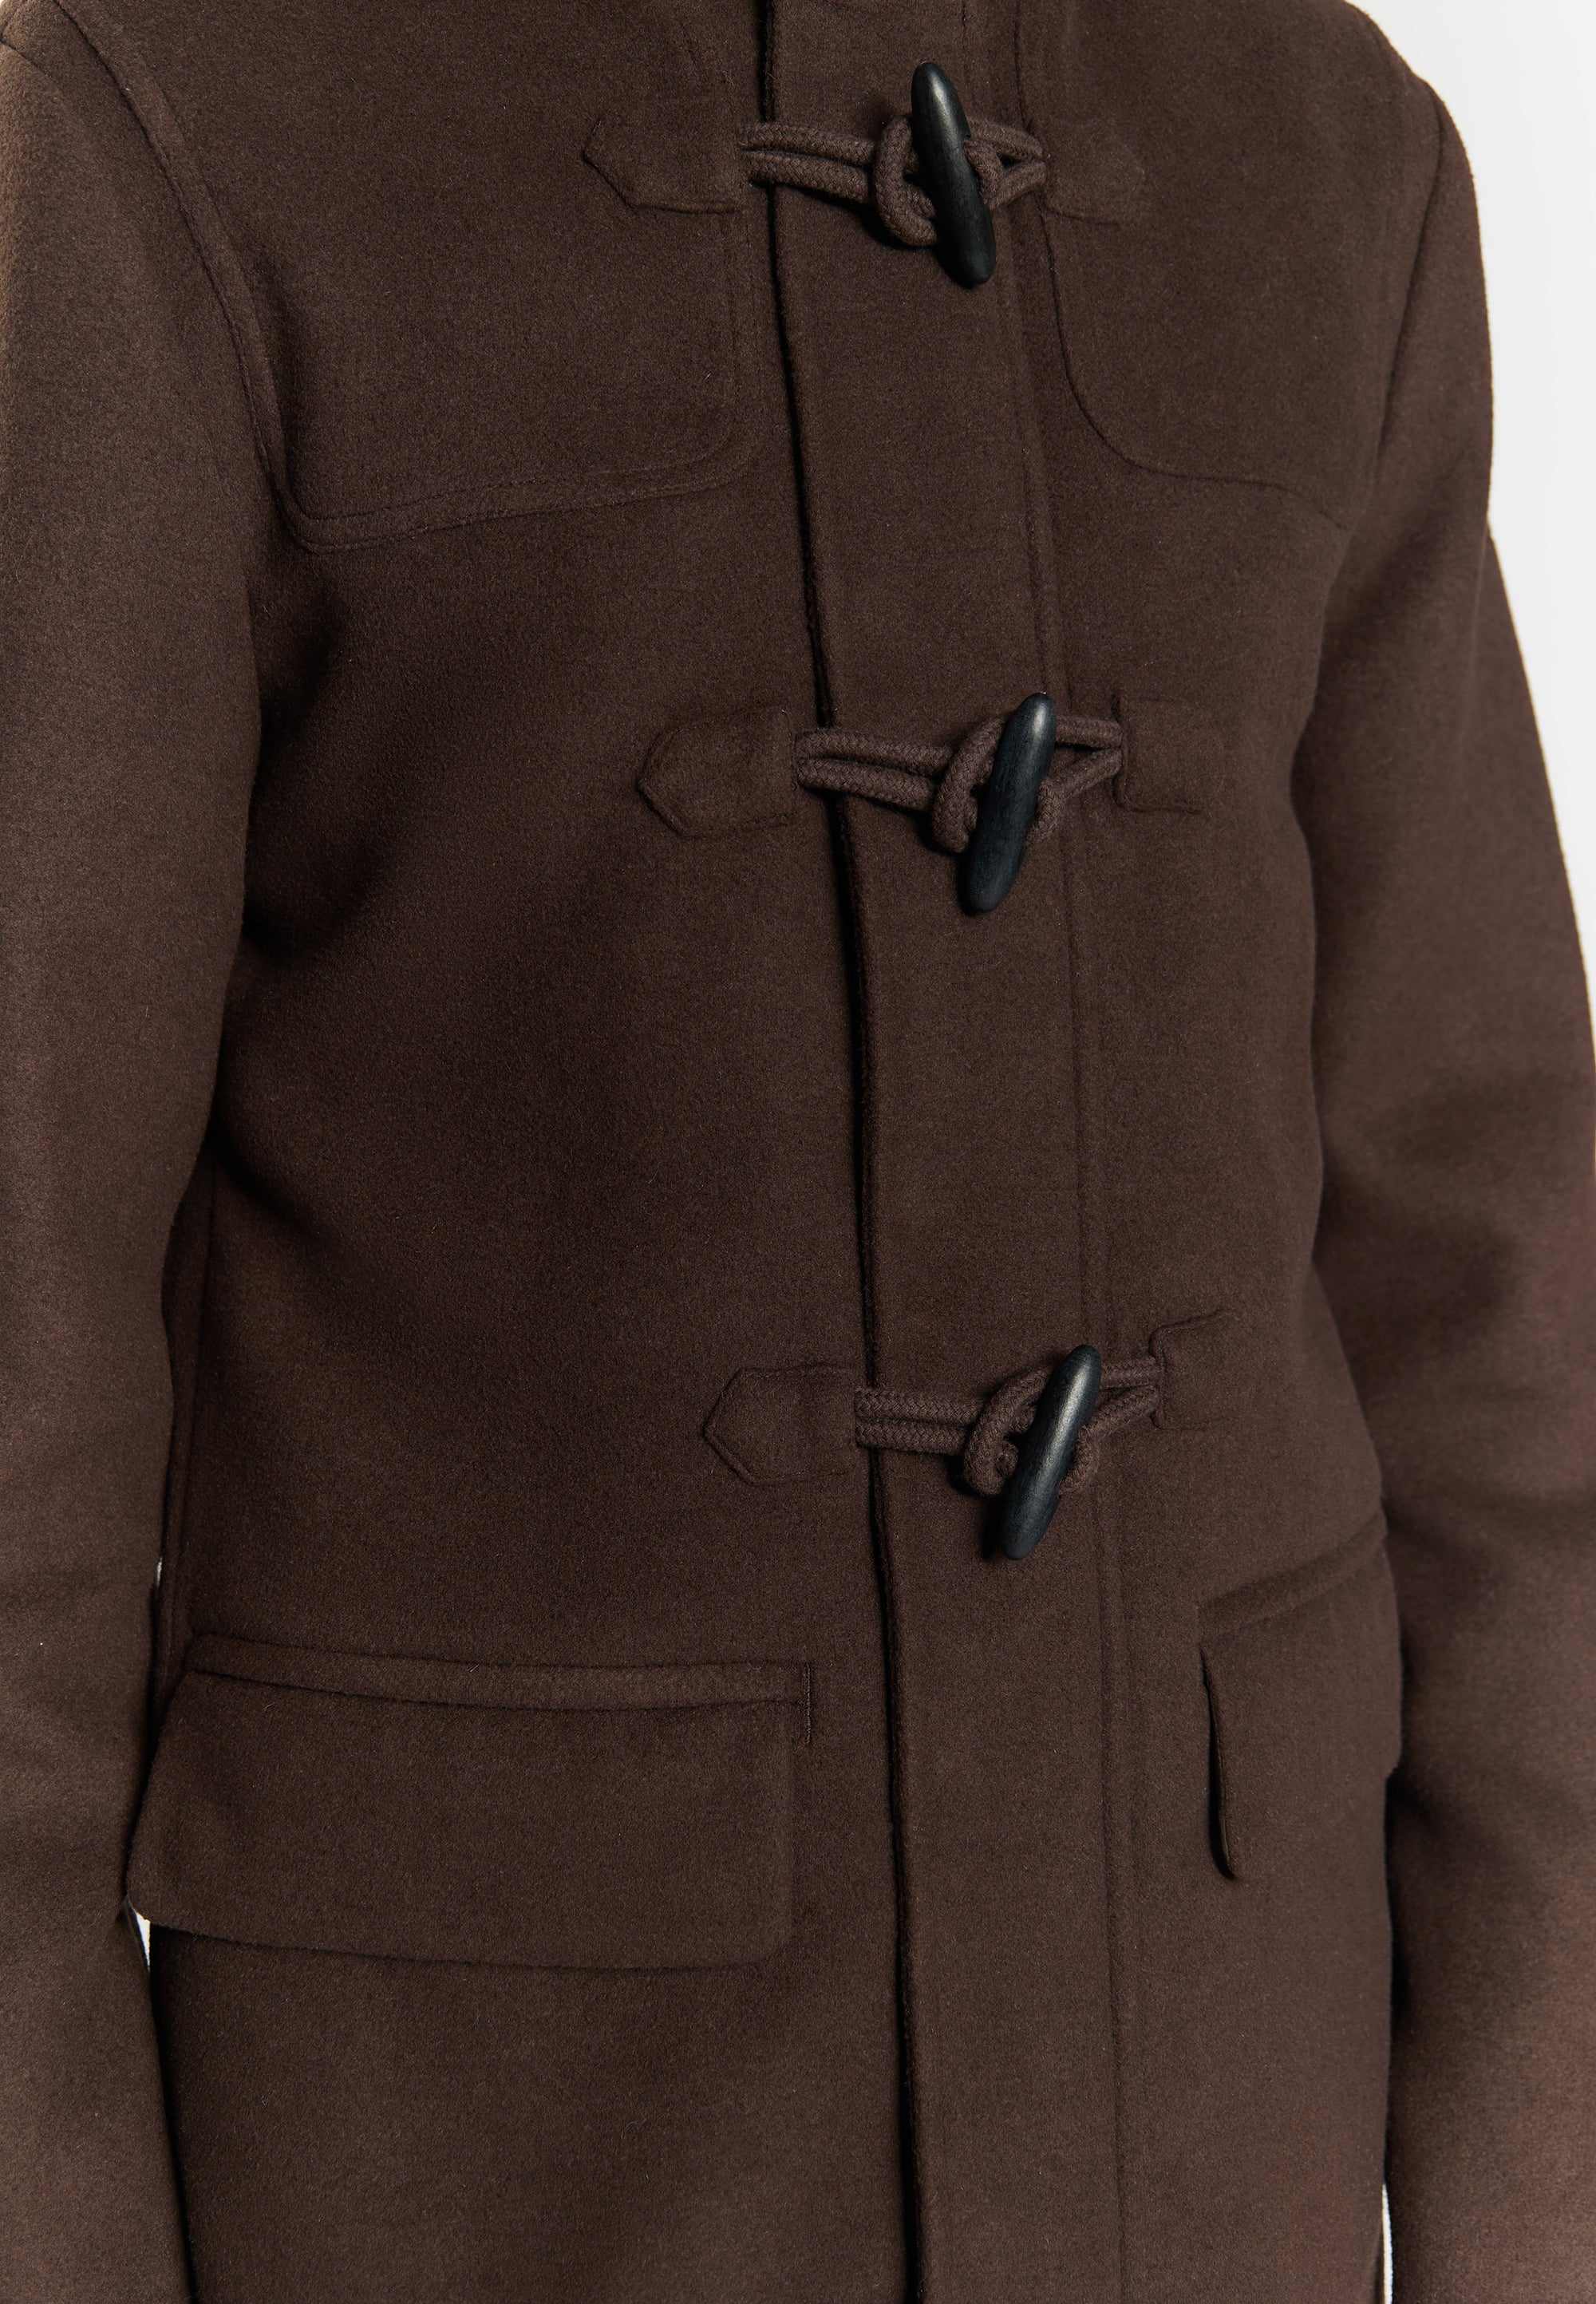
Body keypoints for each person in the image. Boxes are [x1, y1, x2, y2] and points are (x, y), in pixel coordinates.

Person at [2, 0, 1592, 2298]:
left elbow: (1489, 1286)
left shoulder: (1319, 138)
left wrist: (1537, 2209)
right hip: (503, 2155)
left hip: (1214, 2118)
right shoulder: (178, 108)